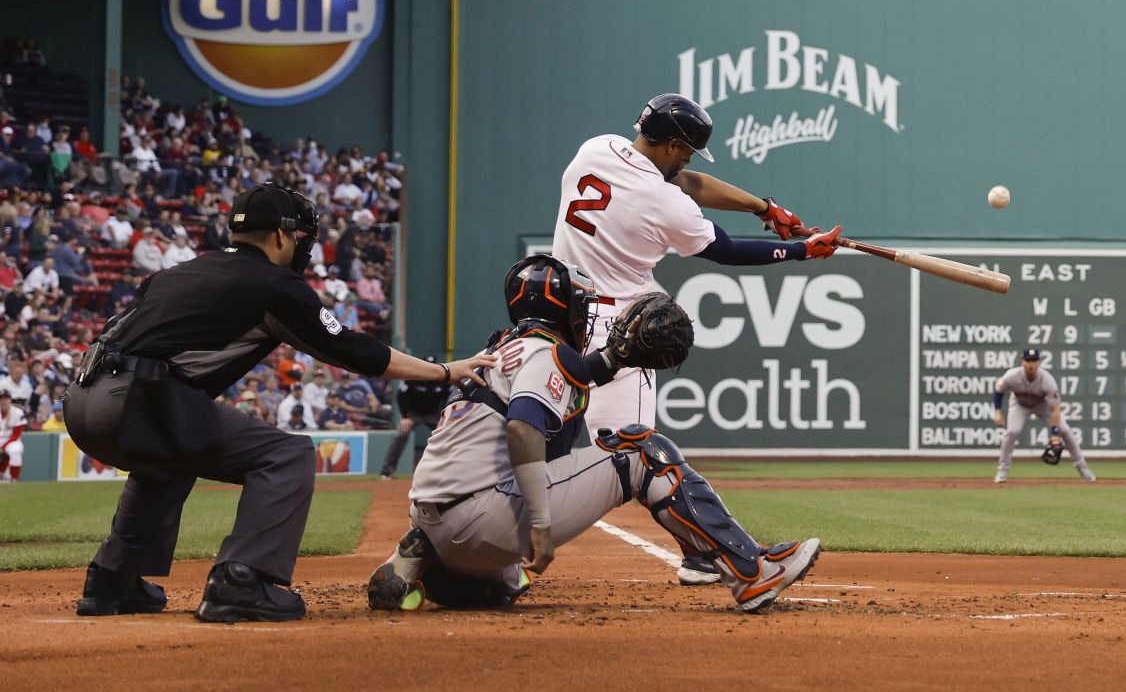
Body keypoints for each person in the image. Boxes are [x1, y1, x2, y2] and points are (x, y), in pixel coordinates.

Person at [64, 185, 494, 623]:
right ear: (280, 237)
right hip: (139, 399)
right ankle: (241, 580)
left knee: (169, 459)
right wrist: (445, 370)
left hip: (82, 399)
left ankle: (112, 580)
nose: (305, 247)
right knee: (285, 454)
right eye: (303, 238)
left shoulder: (183, 270)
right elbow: (354, 351)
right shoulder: (276, 285)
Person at [365, 256, 820, 614]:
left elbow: (571, 377)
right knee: (641, 448)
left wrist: (616, 358)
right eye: (581, 304)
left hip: (434, 519)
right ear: (565, 308)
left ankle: (426, 564)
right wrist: (541, 526)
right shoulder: (547, 352)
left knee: (505, 584)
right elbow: (523, 424)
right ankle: (751, 571)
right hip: (485, 520)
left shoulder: (497, 352)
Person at [545, 94, 839, 586]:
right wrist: (800, 251)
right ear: (674, 143)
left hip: (557, 319)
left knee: (559, 440)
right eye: (686, 150)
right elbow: (725, 251)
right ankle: (741, 565)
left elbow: (686, 183)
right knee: (642, 451)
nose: (686, 160)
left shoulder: (597, 149)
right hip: (620, 332)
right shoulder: (662, 201)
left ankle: (700, 554)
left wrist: (764, 207)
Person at [991, 348, 1094, 484]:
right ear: (1023, 362)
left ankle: (1083, 467)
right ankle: (1002, 470)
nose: (1031, 364)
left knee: (1065, 431)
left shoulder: (1048, 381)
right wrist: (997, 411)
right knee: (1012, 432)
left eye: (1034, 360)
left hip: (1043, 406)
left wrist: (1055, 435)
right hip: (1019, 405)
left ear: (1039, 363)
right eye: (1028, 360)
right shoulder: (1012, 375)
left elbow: (1055, 410)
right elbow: (999, 391)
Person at [377, 369, 450, 481]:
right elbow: (400, 397)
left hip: (433, 415)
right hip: (413, 415)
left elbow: (448, 399)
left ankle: (447, 472)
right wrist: (405, 416)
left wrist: (444, 415)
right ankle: (386, 472)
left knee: (448, 435)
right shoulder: (412, 379)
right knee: (400, 435)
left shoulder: (441, 380)